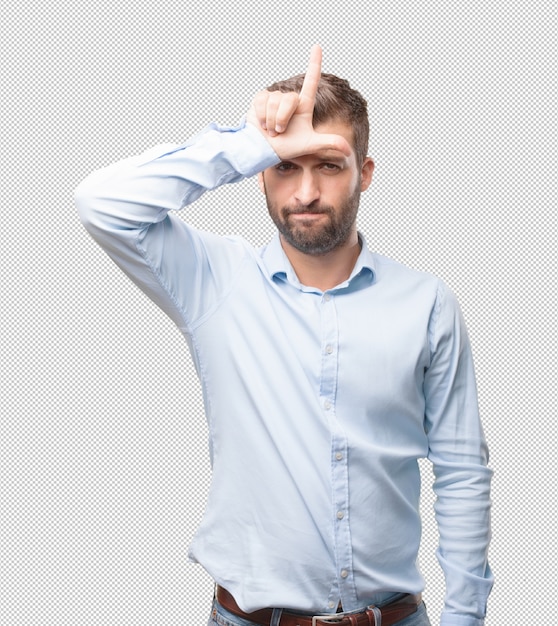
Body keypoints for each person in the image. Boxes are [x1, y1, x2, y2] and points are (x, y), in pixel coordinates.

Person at [76, 45, 493, 626]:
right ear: (261, 174)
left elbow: (461, 470)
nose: (304, 194)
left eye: (327, 163)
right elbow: (101, 203)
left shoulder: (427, 305)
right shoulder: (213, 280)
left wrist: (466, 617)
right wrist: (247, 144)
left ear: (364, 174)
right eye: (285, 167)